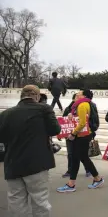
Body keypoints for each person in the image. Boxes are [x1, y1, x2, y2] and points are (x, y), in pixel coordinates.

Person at [0, 85, 61, 216]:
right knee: (40, 201)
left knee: (16, 201)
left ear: (21, 96)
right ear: (37, 96)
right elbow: (55, 130)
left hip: (13, 164)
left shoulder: (5, 114)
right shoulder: (44, 109)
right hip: (37, 164)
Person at [57, 89, 104, 193]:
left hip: (82, 135)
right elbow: (81, 119)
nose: (77, 94)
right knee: (83, 158)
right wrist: (71, 116)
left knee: (76, 158)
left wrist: (73, 133)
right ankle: (97, 178)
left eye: (80, 93)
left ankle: (71, 184)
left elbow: (82, 123)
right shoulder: (83, 104)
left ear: (84, 96)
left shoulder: (82, 105)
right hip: (84, 134)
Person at [61, 93, 91, 178]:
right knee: (70, 154)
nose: (77, 98)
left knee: (82, 154)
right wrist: (62, 133)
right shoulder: (69, 108)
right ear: (73, 99)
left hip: (79, 134)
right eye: (76, 97)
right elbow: (63, 121)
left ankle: (88, 170)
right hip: (70, 135)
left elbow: (84, 121)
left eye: (79, 96)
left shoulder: (83, 106)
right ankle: (70, 171)